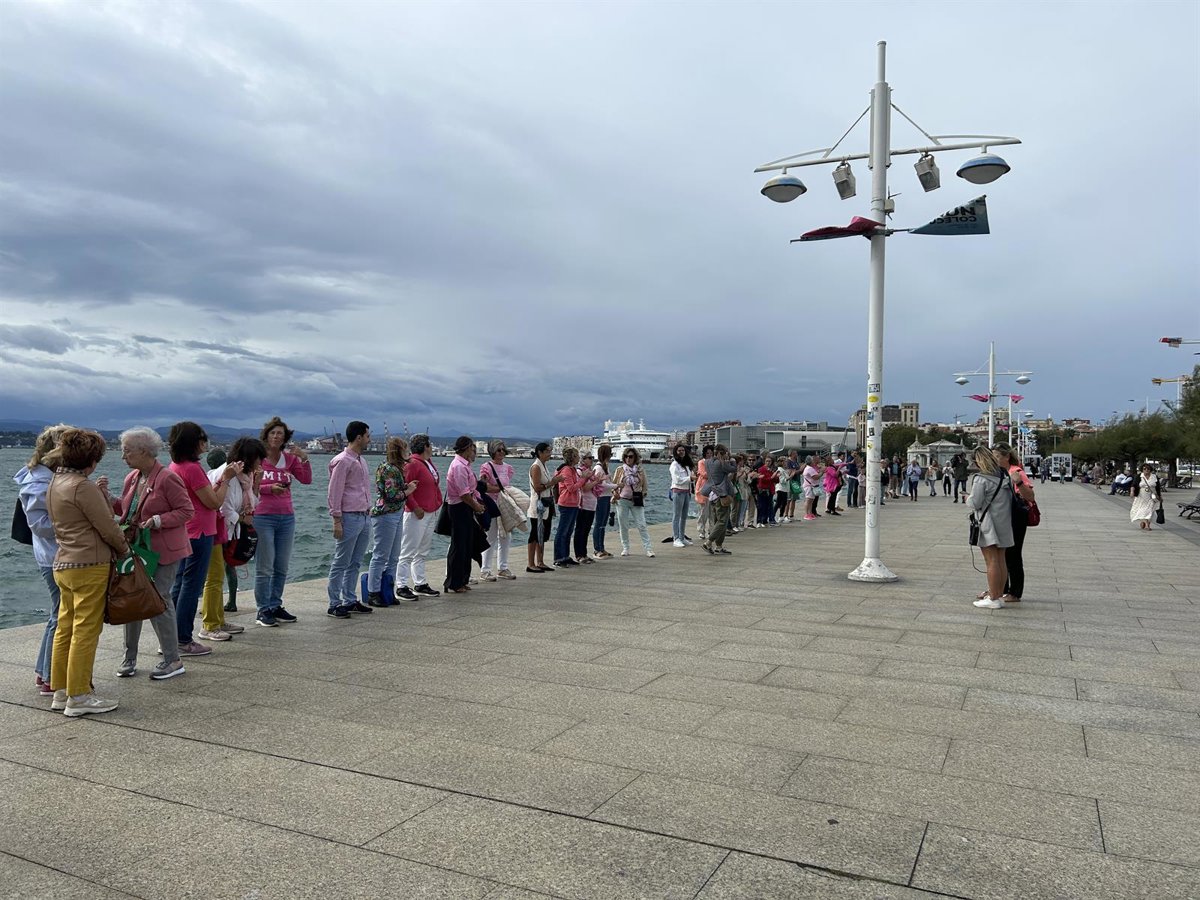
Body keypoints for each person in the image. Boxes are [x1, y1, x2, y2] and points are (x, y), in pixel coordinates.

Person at [46, 429, 130, 716]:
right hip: (89, 564)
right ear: (92, 460)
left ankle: (61, 690)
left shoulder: (56, 482)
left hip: (63, 562)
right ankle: (79, 695)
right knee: (85, 630)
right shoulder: (83, 486)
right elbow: (108, 526)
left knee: (65, 628)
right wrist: (124, 550)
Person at [111, 426, 195, 679]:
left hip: (164, 550)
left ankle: (172, 659)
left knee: (160, 599)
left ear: (145, 451)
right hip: (137, 548)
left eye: (127, 451)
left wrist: (159, 520)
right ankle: (129, 657)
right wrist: (106, 498)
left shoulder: (168, 478)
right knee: (132, 598)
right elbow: (127, 511)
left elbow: (186, 511)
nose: (123, 456)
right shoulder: (133, 477)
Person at [169, 422, 238, 656]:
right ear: (194, 442)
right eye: (202, 439)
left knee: (180, 584)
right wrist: (226, 479)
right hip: (200, 531)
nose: (205, 443)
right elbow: (214, 502)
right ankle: (183, 639)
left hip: (185, 530)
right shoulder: (192, 469)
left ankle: (171, 637)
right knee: (191, 586)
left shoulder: (175, 466)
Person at [14, 424, 72, 695]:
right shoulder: (39, 481)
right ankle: (50, 675)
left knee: (57, 615)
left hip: (52, 554)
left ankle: (44, 671)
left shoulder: (42, 476)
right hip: (54, 556)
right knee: (61, 616)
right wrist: (77, 523)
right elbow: (39, 524)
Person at [199, 438, 262, 639]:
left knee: (218, 576)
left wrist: (256, 485)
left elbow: (251, 503)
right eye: (258, 459)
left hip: (226, 531)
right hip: (214, 530)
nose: (260, 463)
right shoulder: (228, 474)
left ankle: (219, 620)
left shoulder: (244, 477)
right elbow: (222, 507)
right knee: (214, 578)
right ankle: (210, 625)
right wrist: (242, 519)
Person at [254, 417, 311, 626]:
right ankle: (263, 609)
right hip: (262, 517)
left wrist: (304, 459)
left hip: (286, 517)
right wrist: (269, 489)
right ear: (266, 435)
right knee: (265, 566)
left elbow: (306, 480)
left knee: (281, 566)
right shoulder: (258, 459)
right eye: (273, 433)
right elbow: (248, 485)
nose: (276, 437)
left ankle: (275, 604)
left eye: (280, 433)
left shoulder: (290, 459)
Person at [326, 421, 374, 618]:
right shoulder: (342, 461)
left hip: (364, 515)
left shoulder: (361, 461)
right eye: (368, 436)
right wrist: (336, 520)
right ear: (359, 437)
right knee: (341, 561)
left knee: (355, 561)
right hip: (349, 516)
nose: (370, 440)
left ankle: (350, 599)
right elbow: (334, 491)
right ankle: (334, 603)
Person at [367, 437, 418, 604]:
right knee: (381, 555)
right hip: (386, 514)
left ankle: (387, 590)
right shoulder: (389, 469)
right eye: (404, 448)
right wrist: (408, 491)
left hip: (395, 513)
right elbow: (390, 495)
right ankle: (374, 592)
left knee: (394, 555)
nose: (407, 452)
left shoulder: (394, 468)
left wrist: (406, 487)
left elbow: (392, 489)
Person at [966, 446, 1015, 610]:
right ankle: (998, 595)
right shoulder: (1003, 476)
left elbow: (975, 503)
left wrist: (967, 498)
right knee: (1001, 560)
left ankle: (993, 598)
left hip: (988, 524)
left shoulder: (981, 479)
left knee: (991, 561)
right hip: (1003, 522)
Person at [396, 434, 443, 599]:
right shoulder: (412, 464)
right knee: (408, 550)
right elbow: (406, 488)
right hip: (417, 513)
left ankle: (420, 582)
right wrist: (414, 507)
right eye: (430, 445)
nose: (431, 447)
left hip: (430, 511)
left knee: (422, 550)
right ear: (425, 447)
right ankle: (401, 585)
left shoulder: (427, 463)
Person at [991, 443, 1035, 603]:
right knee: (1000, 554)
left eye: (997, 456)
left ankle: (1015, 592)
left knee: (1013, 555)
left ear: (1006, 456)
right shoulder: (997, 472)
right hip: (1002, 517)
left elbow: (1030, 497)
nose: (994, 459)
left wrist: (1019, 483)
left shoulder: (1016, 472)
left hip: (1016, 518)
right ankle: (999, 589)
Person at [444, 436, 486, 592]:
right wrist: (476, 506)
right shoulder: (459, 467)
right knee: (459, 545)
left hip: (466, 507)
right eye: (472, 449)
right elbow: (464, 494)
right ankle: (454, 582)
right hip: (459, 507)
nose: (473, 452)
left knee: (467, 544)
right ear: (467, 448)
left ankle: (463, 579)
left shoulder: (464, 465)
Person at [478, 440, 517, 580]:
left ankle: (503, 567)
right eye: (498, 450)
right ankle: (485, 569)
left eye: (503, 450)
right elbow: (483, 486)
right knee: (491, 537)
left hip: (504, 505)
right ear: (492, 451)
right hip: (492, 504)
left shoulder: (508, 468)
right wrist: (499, 489)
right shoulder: (486, 467)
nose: (501, 452)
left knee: (506, 536)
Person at [526, 442, 562, 572]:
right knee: (535, 533)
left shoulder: (543, 466)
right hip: (538, 505)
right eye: (547, 451)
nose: (549, 454)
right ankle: (531, 563)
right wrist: (553, 482)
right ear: (540, 453)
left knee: (543, 534)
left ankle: (540, 561)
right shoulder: (536, 467)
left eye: (550, 451)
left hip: (546, 504)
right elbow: (537, 487)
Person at [613, 448, 654, 557]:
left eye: (630, 456)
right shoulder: (620, 470)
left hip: (636, 500)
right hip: (622, 500)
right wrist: (615, 494)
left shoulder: (640, 470)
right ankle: (625, 548)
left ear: (635, 457)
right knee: (623, 525)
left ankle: (648, 549)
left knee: (641, 524)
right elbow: (614, 484)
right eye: (626, 456)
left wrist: (643, 494)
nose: (628, 459)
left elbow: (645, 485)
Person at [702, 445, 737, 555]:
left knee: (718, 521)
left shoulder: (707, 462)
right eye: (726, 452)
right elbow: (734, 469)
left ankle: (719, 546)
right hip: (721, 494)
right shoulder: (721, 463)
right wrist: (732, 460)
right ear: (722, 453)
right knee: (723, 521)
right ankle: (708, 542)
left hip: (711, 493)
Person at [553, 447, 585, 567]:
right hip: (566, 503)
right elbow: (571, 488)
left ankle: (565, 556)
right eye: (577, 455)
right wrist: (583, 478)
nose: (579, 458)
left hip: (573, 504)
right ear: (572, 457)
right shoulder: (566, 470)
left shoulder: (572, 469)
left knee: (568, 531)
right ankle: (558, 558)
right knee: (562, 531)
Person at [574, 450, 604, 564]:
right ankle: (579, 554)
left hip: (591, 505)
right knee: (580, 529)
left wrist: (598, 480)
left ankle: (584, 553)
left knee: (586, 530)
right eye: (589, 458)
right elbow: (585, 488)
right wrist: (596, 482)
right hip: (583, 505)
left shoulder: (589, 472)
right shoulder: (580, 471)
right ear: (583, 459)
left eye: (592, 458)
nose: (592, 460)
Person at [591, 444, 615, 559]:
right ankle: (597, 549)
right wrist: (616, 486)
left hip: (606, 497)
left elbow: (607, 483)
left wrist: (614, 488)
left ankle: (601, 547)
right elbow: (603, 485)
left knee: (603, 524)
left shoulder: (605, 467)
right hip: (601, 498)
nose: (611, 456)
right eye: (610, 454)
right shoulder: (599, 468)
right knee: (599, 523)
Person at [669, 444, 695, 547]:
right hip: (678, 492)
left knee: (684, 516)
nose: (681, 452)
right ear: (675, 452)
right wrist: (690, 478)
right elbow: (677, 480)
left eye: (683, 450)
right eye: (679, 450)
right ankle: (676, 538)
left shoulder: (686, 465)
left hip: (686, 492)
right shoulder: (674, 465)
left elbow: (688, 478)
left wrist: (692, 479)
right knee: (677, 515)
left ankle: (682, 537)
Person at [1130, 463, 1162, 531]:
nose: (1146, 470)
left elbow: (1158, 487)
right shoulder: (1139, 476)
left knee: (1150, 510)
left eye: (1148, 469)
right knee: (1143, 509)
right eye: (1144, 469)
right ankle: (1147, 524)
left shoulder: (1154, 476)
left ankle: (1145, 522)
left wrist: (1160, 496)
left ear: (1150, 470)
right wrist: (1132, 492)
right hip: (1141, 496)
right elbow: (1133, 485)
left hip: (1152, 496)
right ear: (1142, 470)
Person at [693, 446, 713, 542]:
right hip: (703, 489)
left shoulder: (714, 462)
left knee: (712, 512)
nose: (709, 455)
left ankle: (711, 531)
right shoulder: (701, 462)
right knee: (703, 512)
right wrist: (714, 474)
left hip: (713, 489)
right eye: (708, 453)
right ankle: (701, 530)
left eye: (711, 453)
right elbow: (704, 474)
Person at [756, 455, 779, 526]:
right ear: (764, 461)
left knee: (770, 505)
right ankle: (763, 520)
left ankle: (769, 519)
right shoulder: (761, 469)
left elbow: (776, 481)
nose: (768, 463)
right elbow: (762, 480)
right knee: (763, 505)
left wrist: (776, 476)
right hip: (763, 489)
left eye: (769, 461)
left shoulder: (771, 470)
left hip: (770, 489)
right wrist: (772, 477)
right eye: (767, 461)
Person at [801, 455, 820, 521]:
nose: (813, 461)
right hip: (809, 486)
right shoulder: (809, 468)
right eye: (812, 460)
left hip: (810, 486)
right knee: (808, 500)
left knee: (811, 500)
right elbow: (816, 477)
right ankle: (806, 514)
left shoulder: (809, 468)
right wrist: (822, 472)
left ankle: (810, 513)